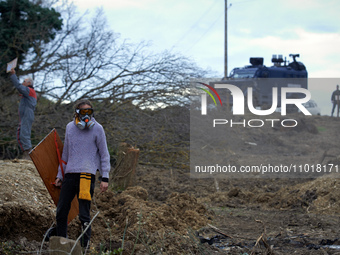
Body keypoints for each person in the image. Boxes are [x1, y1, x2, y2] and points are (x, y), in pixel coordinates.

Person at [54, 99, 111, 248]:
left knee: (84, 214)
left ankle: (84, 247)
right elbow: (65, 154)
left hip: (87, 176)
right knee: (61, 211)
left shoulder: (97, 128)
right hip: (70, 175)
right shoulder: (69, 128)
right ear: (77, 113)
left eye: (89, 111)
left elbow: (104, 154)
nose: (86, 115)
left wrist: (105, 177)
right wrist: (60, 175)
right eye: (83, 111)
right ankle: (62, 243)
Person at [9, 68, 37, 159]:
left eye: (24, 81)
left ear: (29, 83)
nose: (22, 83)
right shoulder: (28, 92)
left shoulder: (29, 90)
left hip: (27, 114)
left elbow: (18, 86)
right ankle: (26, 153)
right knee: (20, 134)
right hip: (25, 114)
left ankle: (28, 155)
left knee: (24, 133)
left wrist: (13, 75)